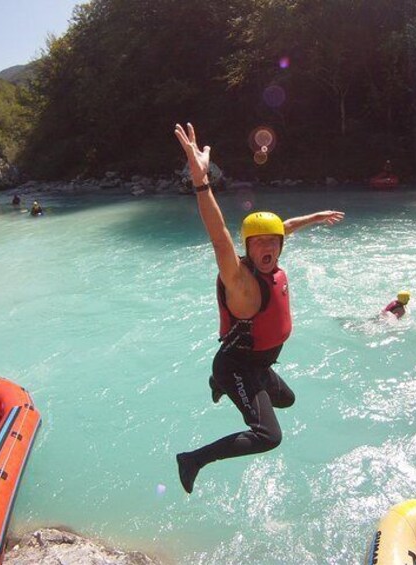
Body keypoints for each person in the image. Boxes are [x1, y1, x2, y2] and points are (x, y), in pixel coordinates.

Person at [173, 122, 345, 494]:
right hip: (239, 364)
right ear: (248, 248)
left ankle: (224, 384)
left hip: (261, 362)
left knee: (287, 399)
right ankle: (192, 459)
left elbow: (285, 227)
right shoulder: (241, 281)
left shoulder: (272, 252)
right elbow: (219, 236)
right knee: (269, 436)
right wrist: (202, 183)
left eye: (274, 243)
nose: (267, 248)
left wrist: (315, 217)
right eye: (259, 244)